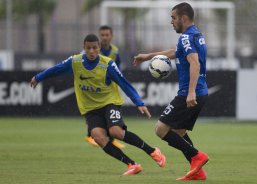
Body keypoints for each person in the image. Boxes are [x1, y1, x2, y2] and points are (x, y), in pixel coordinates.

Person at [30, 34, 166, 175]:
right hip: (90, 108)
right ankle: (132, 165)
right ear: (84, 48)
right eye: (88, 48)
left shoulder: (107, 64)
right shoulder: (75, 62)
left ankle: (153, 151)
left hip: (109, 103)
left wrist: (139, 102)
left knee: (116, 132)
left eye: (94, 48)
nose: (91, 51)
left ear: (99, 48)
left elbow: (124, 83)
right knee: (98, 137)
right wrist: (38, 77)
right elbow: (56, 69)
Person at [134, 2, 209, 181]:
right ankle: (197, 171)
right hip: (201, 92)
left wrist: (190, 92)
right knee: (179, 132)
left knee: (160, 129)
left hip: (189, 92)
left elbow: (195, 63)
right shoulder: (196, 35)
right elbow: (176, 52)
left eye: (173, 18)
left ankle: (197, 156)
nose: (171, 22)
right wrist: (148, 56)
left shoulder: (186, 37)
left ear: (183, 18)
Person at [85, 25, 125, 148]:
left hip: (109, 88)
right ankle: (91, 135)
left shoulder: (115, 51)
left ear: (111, 36)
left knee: (113, 112)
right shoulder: (94, 50)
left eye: (107, 35)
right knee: (95, 110)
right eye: (102, 35)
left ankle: (111, 139)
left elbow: (118, 67)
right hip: (95, 87)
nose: (104, 37)